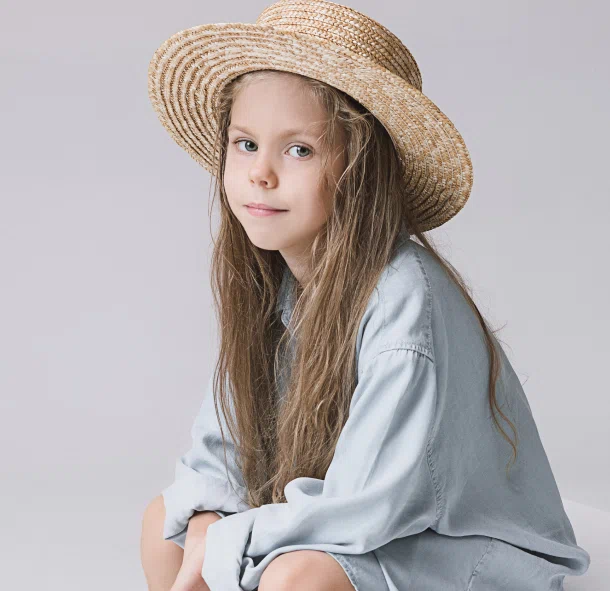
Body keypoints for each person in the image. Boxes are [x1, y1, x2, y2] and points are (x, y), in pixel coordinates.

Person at [141, 1, 591, 590]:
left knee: (296, 578)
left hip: (456, 542)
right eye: (245, 144)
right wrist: (205, 521)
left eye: (299, 150)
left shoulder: (405, 299)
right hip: (370, 524)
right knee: (165, 527)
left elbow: (366, 504)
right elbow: (219, 450)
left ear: (360, 169)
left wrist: (228, 541)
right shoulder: (273, 287)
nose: (261, 174)